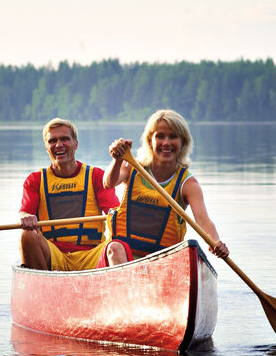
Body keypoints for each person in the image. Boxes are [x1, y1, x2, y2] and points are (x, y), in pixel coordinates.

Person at [104, 109, 229, 259]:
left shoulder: (188, 184)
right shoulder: (132, 167)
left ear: (183, 142)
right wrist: (117, 159)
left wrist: (215, 242)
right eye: (160, 136)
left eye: (173, 136)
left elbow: (203, 220)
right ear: (150, 141)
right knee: (114, 247)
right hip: (123, 256)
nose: (166, 143)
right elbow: (108, 183)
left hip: (162, 261)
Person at [19, 118, 132, 270]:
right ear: (47, 147)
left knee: (117, 247)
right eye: (53, 141)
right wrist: (24, 217)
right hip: (54, 255)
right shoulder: (35, 180)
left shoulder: (96, 176)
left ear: (75, 144)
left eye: (64, 139)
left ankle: (123, 290)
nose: (59, 145)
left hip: (92, 255)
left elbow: (116, 214)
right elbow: (25, 212)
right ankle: (46, 284)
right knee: (26, 236)